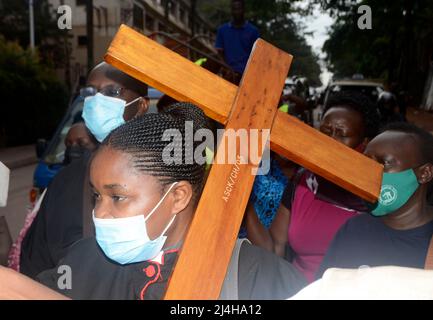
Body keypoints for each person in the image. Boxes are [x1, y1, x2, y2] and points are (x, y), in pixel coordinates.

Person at [0, 102, 307, 300]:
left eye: (117, 197)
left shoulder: (258, 277)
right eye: (96, 196)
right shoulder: (85, 261)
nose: (100, 214)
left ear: (177, 196)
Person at [19, 62, 150, 279]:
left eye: (111, 92)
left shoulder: (162, 175)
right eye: (91, 92)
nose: (98, 100)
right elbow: (34, 262)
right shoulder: (64, 181)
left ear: (141, 106)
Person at [246, 91, 381, 283]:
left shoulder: (377, 195)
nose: (331, 141)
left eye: (342, 134)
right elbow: (274, 248)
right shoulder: (302, 182)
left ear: (365, 143)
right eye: (326, 131)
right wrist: (245, 205)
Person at [317, 122, 433, 277]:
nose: (370, 173)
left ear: (424, 173)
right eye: (367, 163)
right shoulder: (354, 229)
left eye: (383, 163)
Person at [215, 0, 259, 84]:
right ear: (231, 11)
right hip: (228, 75)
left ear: (243, 10)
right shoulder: (222, 30)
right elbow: (219, 53)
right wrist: (227, 68)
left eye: (239, 9)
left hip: (246, 77)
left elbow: (256, 56)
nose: (237, 12)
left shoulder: (253, 31)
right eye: (234, 9)